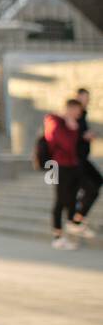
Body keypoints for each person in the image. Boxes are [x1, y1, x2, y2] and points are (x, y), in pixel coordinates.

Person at [44, 98, 88, 250]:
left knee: (71, 199)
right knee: (60, 200)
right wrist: (72, 128)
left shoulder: (71, 124)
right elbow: (66, 144)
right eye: (77, 110)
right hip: (57, 166)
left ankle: (67, 232)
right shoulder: (56, 122)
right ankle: (57, 237)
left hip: (71, 166)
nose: (79, 114)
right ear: (70, 109)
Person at [69, 87, 99, 238]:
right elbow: (69, 137)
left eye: (87, 99)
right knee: (91, 189)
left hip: (84, 159)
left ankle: (78, 214)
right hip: (74, 161)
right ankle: (76, 218)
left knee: (98, 181)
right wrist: (83, 136)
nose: (86, 102)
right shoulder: (71, 117)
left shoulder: (83, 115)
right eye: (83, 99)